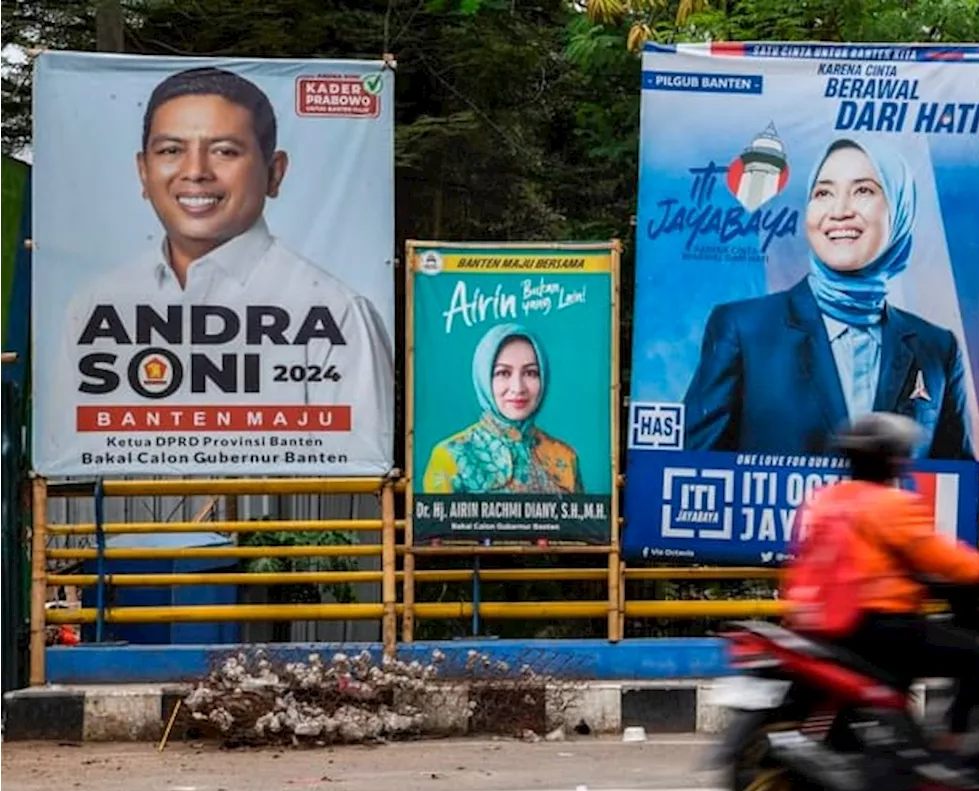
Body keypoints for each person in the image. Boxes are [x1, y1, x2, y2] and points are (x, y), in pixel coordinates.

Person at [41, 65, 394, 473]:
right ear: (143, 171)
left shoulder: (338, 312)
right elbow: (64, 456)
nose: (195, 172)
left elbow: (361, 470)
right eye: (171, 150)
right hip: (120, 536)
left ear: (274, 172)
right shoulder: (94, 305)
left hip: (283, 536)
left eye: (225, 150)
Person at [680, 137, 976, 461]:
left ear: (900, 208)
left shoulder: (937, 349)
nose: (838, 211)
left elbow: (951, 481)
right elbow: (697, 468)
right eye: (823, 193)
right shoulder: (744, 330)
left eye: (863, 190)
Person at [779, 412, 979, 789]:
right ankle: (954, 750)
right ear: (892, 459)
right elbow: (941, 558)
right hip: (878, 627)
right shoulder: (891, 505)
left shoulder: (822, 500)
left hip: (816, 626)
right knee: (978, 656)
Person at [422, 323, 583, 494]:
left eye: (530, 373)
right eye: (503, 373)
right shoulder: (450, 457)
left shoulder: (565, 457)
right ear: (483, 379)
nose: (518, 388)